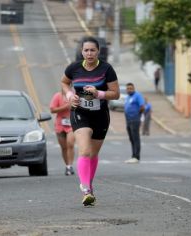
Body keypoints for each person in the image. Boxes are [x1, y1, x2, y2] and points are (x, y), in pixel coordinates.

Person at [61, 36, 120, 206]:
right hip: (80, 113)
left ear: (98, 52)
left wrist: (99, 94)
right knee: (85, 151)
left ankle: (89, 185)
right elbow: (65, 83)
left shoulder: (106, 69)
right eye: (86, 50)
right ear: (82, 52)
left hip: (100, 114)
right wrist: (70, 95)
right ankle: (85, 189)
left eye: (92, 50)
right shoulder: (74, 68)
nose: (89, 53)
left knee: (93, 154)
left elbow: (115, 93)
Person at [49, 91, 75, 176]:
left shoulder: (75, 95)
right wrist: (65, 107)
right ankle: (67, 166)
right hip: (60, 125)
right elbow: (52, 109)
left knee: (70, 144)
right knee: (64, 147)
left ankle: (70, 166)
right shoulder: (58, 96)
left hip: (72, 124)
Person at [124, 83, 145, 164]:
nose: (129, 90)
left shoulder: (137, 95)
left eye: (131, 88)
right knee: (131, 138)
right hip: (128, 120)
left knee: (136, 138)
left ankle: (137, 156)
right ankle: (133, 156)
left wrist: (137, 115)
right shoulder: (128, 97)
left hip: (135, 120)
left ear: (134, 88)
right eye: (128, 88)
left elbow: (142, 107)